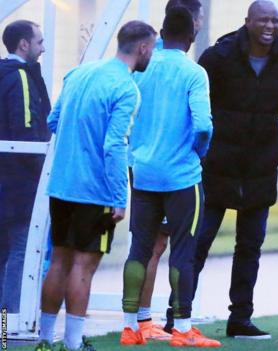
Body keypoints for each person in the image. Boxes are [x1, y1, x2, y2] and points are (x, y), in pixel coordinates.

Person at [163, 0, 278, 340]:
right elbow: (199, 104)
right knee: (198, 244)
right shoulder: (218, 57)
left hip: (261, 169)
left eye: (275, 20)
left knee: (250, 247)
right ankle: (176, 317)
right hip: (217, 168)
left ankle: (240, 319)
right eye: (263, 20)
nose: (270, 26)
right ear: (247, 22)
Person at [35, 20, 156, 351]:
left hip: (61, 186)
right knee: (83, 266)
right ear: (143, 47)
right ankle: (73, 344)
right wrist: (120, 196)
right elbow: (114, 145)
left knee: (59, 259)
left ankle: (45, 341)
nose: (152, 54)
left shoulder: (80, 73)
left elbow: (53, 121)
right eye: (152, 48)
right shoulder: (127, 88)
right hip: (95, 191)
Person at [120, 7, 218, 348]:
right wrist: (198, 151)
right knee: (183, 252)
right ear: (192, 31)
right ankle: (183, 329)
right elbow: (203, 124)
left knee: (140, 248)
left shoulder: (141, 67)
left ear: (162, 31)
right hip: (181, 177)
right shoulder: (194, 72)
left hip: (143, 173)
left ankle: (131, 327)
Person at [0, 19, 50, 314]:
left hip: (5, 179)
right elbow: (27, 128)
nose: (43, 49)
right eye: (40, 42)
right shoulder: (19, 77)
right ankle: (12, 321)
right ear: (24, 44)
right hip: (18, 184)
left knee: (5, 251)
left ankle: (2, 329)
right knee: (20, 249)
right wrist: (42, 171)